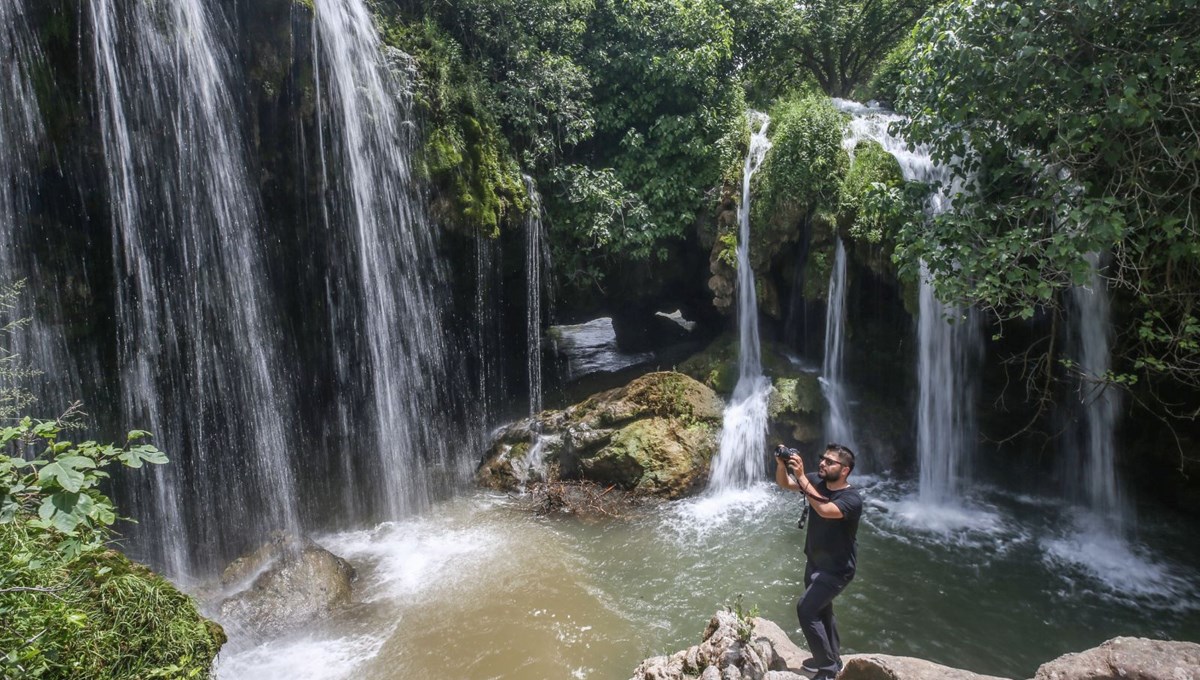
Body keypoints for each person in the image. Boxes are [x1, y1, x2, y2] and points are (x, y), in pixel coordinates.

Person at [775, 443, 863, 680]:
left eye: (829, 461)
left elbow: (825, 509)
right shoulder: (817, 481)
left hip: (837, 569)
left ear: (845, 470)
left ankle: (827, 671)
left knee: (806, 609)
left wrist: (803, 477)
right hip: (814, 560)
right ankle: (831, 657)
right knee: (822, 610)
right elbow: (785, 484)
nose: (822, 463)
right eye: (822, 458)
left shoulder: (851, 498)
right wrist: (782, 465)